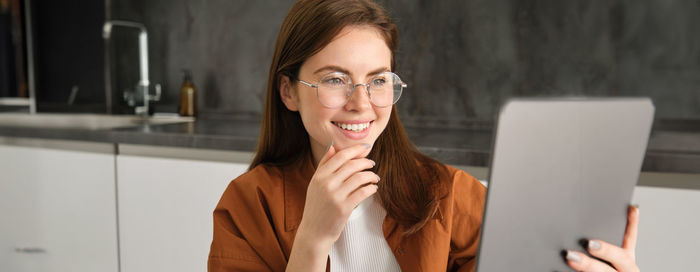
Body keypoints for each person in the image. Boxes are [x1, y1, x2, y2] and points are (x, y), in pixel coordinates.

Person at [208, 0, 641, 271]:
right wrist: (313, 238)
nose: (362, 103)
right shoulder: (248, 206)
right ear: (289, 92)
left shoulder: (447, 193)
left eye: (378, 80)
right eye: (335, 79)